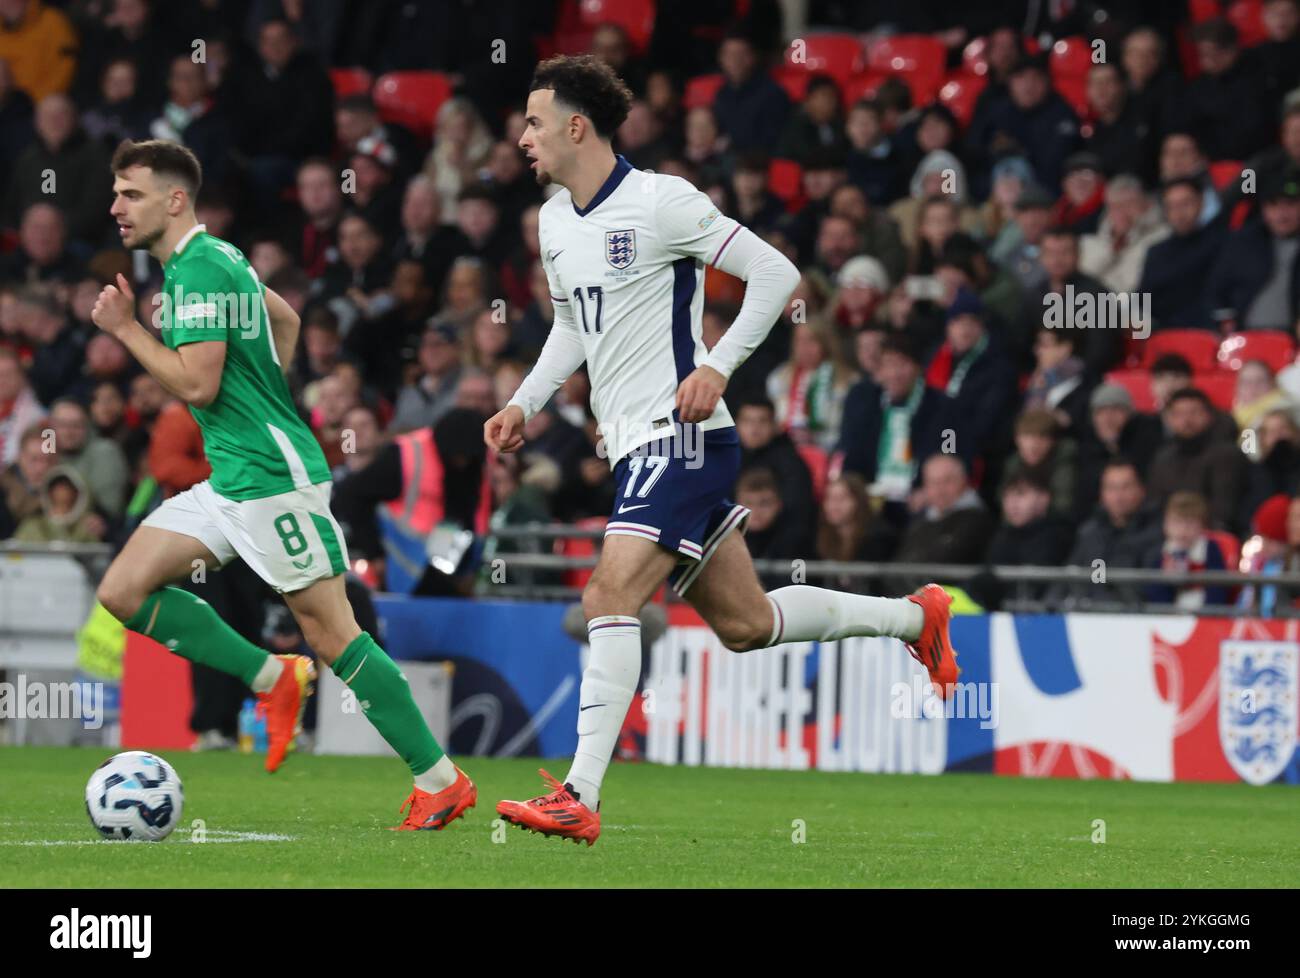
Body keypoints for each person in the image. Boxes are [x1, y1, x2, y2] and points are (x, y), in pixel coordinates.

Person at [484, 56, 960, 846]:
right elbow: (572, 325)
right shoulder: (554, 221)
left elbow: (777, 274)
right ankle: (916, 618)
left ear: (576, 126)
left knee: (606, 598)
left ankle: (579, 793)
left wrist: (716, 365)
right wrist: (523, 401)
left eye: (534, 121)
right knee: (747, 624)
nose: (522, 137)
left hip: (684, 438)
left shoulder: (662, 201)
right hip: (635, 448)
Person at [90, 140, 475, 831]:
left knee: (335, 634)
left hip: (270, 483)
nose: (116, 207)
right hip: (232, 478)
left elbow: (198, 385)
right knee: (123, 590)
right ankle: (273, 679)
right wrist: (268, 401)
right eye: (116, 193)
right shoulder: (221, 256)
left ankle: (439, 779)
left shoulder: (199, 272)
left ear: (175, 200)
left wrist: (124, 331)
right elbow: (287, 320)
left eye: (131, 194)